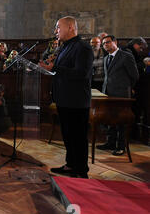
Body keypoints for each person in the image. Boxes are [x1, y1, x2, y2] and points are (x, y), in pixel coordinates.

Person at [40, 16, 93, 179]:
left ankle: (81, 170)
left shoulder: (82, 47)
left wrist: (55, 67)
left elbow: (82, 74)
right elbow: (61, 70)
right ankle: (71, 165)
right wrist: (52, 67)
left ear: (70, 27)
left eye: (58, 27)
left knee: (78, 137)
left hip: (76, 101)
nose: (56, 31)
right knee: (68, 136)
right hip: (64, 99)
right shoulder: (64, 47)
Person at [96, 35, 139, 155]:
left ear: (115, 42)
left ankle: (121, 146)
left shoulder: (126, 56)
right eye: (104, 44)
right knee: (110, 120)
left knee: (121, 121)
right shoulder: (106, 58)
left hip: (122, 95)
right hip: (108, 94)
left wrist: (127, 88)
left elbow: (134, 76)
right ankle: (110, 143)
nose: (106, 45)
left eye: (108, 42)